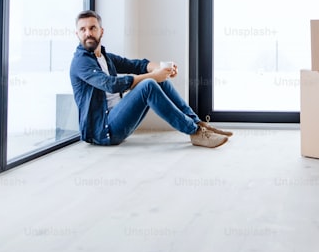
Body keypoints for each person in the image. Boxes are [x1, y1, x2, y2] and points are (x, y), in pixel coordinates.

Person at [69, 10, 232, 148]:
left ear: (101, 31)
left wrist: (162, 69)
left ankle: (198, 124)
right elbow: (111, 85)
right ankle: (194, 132)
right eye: (82, 29)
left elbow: (135, 65)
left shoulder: (104, 57)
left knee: (158, 80)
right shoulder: (81, 62)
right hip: (103, 131)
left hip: (117, 120)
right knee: (149, 84)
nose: (88, 33)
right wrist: (153, 76)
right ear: (77, 34)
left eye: (92, 28)